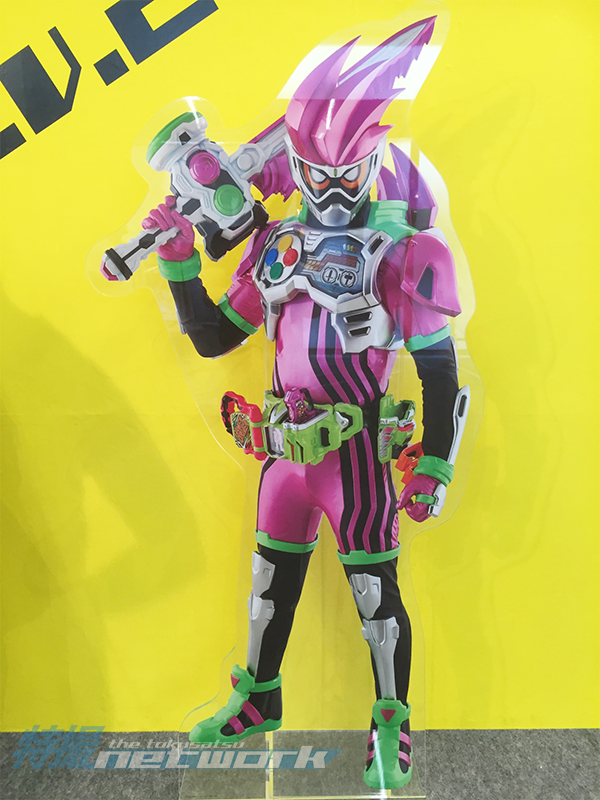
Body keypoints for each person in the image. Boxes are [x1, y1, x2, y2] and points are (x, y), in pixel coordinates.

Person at [141, 18, 468, 790]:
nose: (330, 189)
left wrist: (435, 467)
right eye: (315, 173)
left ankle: (392, 725)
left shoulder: (406, 253)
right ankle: (259, 699)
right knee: (266, 589)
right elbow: (217, 337)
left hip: (356, 459)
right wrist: (181, 265)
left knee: (375, 596)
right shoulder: (275, 247)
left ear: (371, 161)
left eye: (345, 173)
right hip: (284, 459)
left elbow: (439, 369)